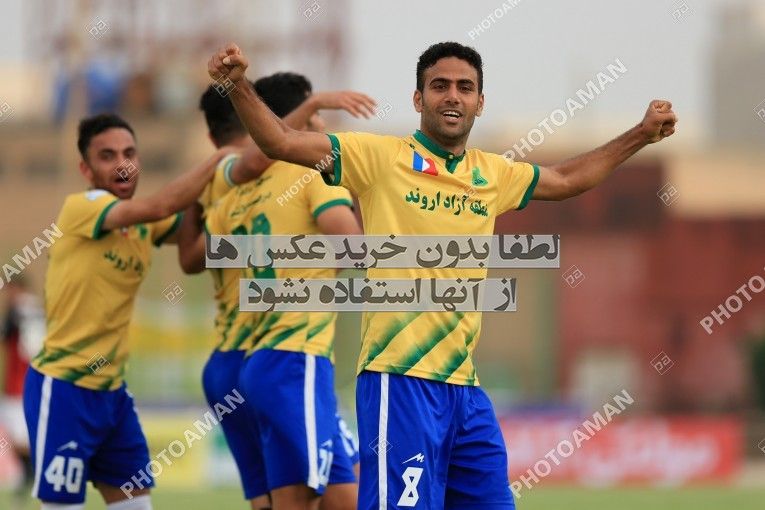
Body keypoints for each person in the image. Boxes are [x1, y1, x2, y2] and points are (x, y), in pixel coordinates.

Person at [208, 41, 677, 509]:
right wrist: (237, 85)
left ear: (480, 102)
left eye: (465, 87)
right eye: (440, 86)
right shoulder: (378, 158)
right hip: (398, 380)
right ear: (418, 99)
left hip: (465, 392)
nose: (453, 95)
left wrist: (640, 134)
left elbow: (568, 179)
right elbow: (281, 142)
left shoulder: (492, 173)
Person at [178, 75, 374, 509]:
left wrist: (194, 197)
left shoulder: (229, 193)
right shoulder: (309, 174)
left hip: (237, 361)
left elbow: (190, 258)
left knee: (286, 498)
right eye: (316, 117)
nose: (322, 127)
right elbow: (355, 248)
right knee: (336, 494)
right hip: (291, 354)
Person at [22, 112, 233, 510]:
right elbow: (163, 204)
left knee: (137, 506)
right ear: (86, 169)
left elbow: (196, 239)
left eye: (130, 154)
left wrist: (267, 239)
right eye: (107, 156)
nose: (122, 164)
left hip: (113, 395)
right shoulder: (83, 207)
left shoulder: (144, 224)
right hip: (65, 388)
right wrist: (220, 159)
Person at [1, 275, 43, 508]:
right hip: (18, 386)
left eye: (10, 289)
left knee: (21, 439)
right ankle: (30, 477)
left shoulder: (22, 312)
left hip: (21, 387)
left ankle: (32, 477)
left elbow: (29, 348)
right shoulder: (28, 312)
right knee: (16, 438)